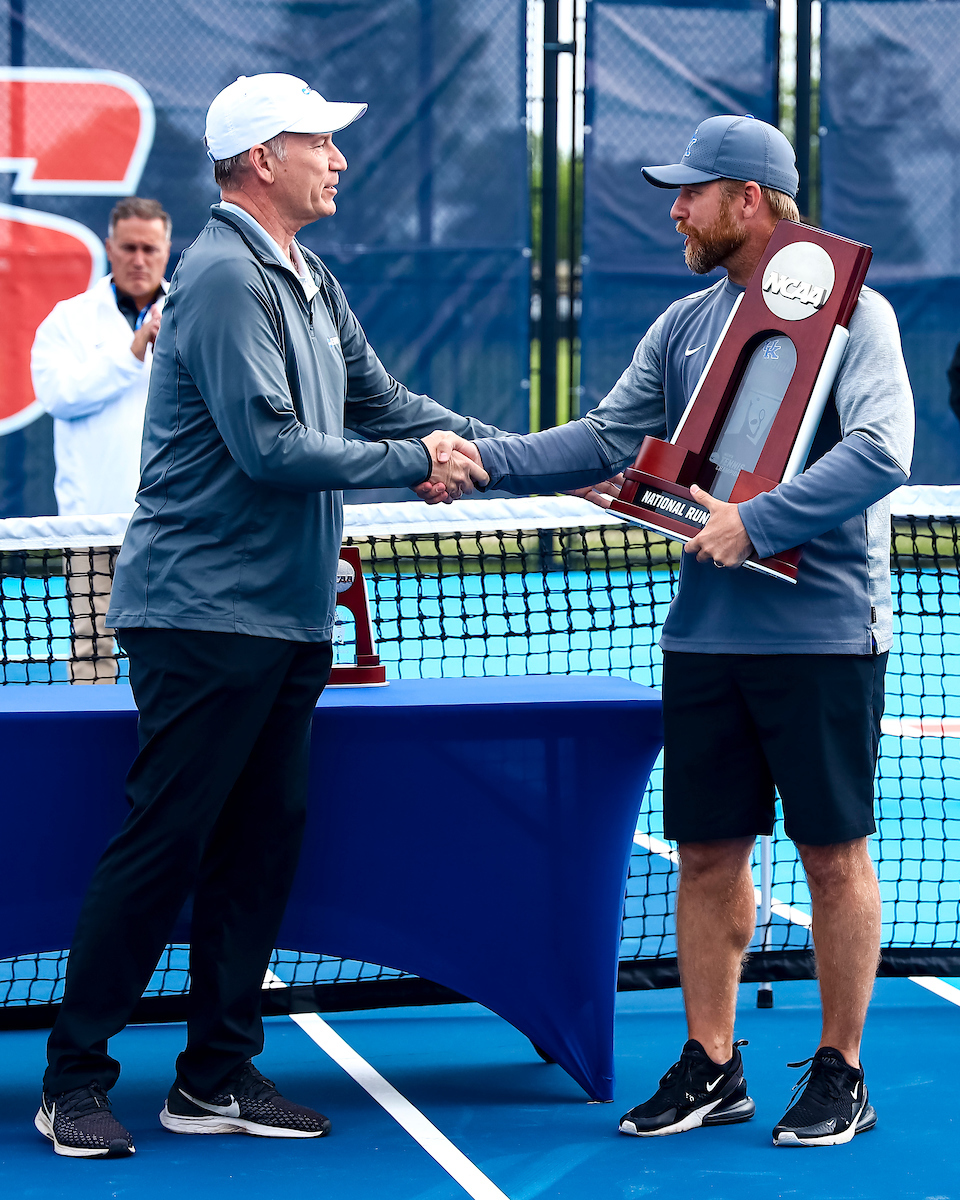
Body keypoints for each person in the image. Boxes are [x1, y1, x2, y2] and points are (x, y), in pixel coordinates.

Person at [36, 73, 497, 1159]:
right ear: (258, 159)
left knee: (257, 846)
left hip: (288, 621)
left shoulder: (309, 275)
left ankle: (215, 1075)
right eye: (319, 143)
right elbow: (273, 448)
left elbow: (382, 402)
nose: (338, 159)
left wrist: (527, 454)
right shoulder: (222, 278)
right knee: (165, 846)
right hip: (201, 620)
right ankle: (73, 1077)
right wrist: (416, 461)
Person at [456, 115, 915, 1147]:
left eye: (691, 192)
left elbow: (885, 451)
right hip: (705, 638)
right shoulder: (681, 327)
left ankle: (843, 1071)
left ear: (749, 200)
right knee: (708, 853)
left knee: (832, 856)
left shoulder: (861, 319)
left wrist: (757, 521)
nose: (674, 208)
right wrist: (484, 459)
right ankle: (713, 1064)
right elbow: (609, 440)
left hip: (826, 640)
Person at [31, 197, 172, 682]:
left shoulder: (193, 316)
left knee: (173, 650)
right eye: (129, 247)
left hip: (174, 524)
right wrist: (134, 349)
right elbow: (58, 395)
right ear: (110, 248)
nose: (139, 259)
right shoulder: (67, 320)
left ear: (166, 249)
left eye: (149, 248)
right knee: (92, 652)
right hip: (90, 523)